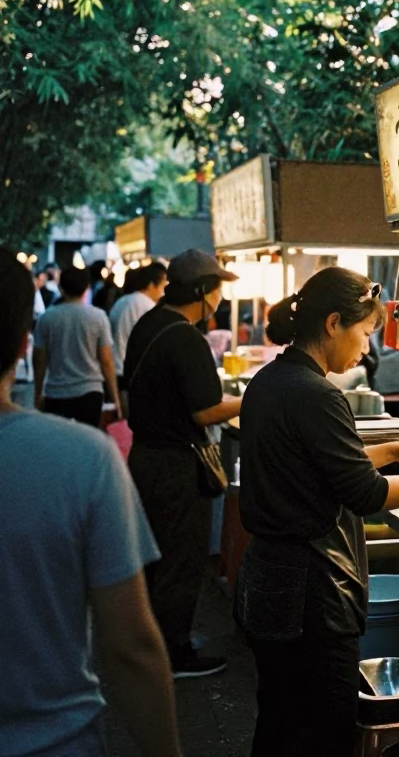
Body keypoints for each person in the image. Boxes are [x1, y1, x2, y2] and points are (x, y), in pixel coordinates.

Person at [236, 267, 399, 757]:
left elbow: (313, 466)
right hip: (310, 594)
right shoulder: (317, 394)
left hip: (269, 582)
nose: (367, 348)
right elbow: (366, 494)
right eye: (365, 332)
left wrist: (391, 450)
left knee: (281, 721)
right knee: (321, 731)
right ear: (333, 323)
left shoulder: (272, 380)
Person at [0, 248, 183, 757]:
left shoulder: (57, 316)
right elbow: (130, 648)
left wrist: (38, 397)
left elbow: (43, 363)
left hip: (55, 393)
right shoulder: (86, 460)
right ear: (19, 339)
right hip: (56, 741)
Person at [124, 248, 244, 678]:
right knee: (179, 558)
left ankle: (152, 644)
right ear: (200, 291)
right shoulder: (185, 336)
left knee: (157, 557)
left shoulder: (149, 324)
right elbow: (205, 411)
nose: (219, 298)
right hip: (176, 465)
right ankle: (173, 655)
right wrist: (248, 400)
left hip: (146, 457)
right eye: (216, 289)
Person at [32, 265, 121, 428]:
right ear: (87, 287)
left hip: (56, 392)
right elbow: (107, 360)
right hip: (90, 392)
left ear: (61, 287)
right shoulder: (98, 317)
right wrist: (116, 398)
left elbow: (39, 360)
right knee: (88, 443)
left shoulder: (47, 317)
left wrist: (38, 393)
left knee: (59, 443)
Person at [109, 261, 168, 387]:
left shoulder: (121, 301)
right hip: (133, 371)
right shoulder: (149, 307)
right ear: (152, 285)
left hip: (115, 368)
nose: (164, 293)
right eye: (163, 286)